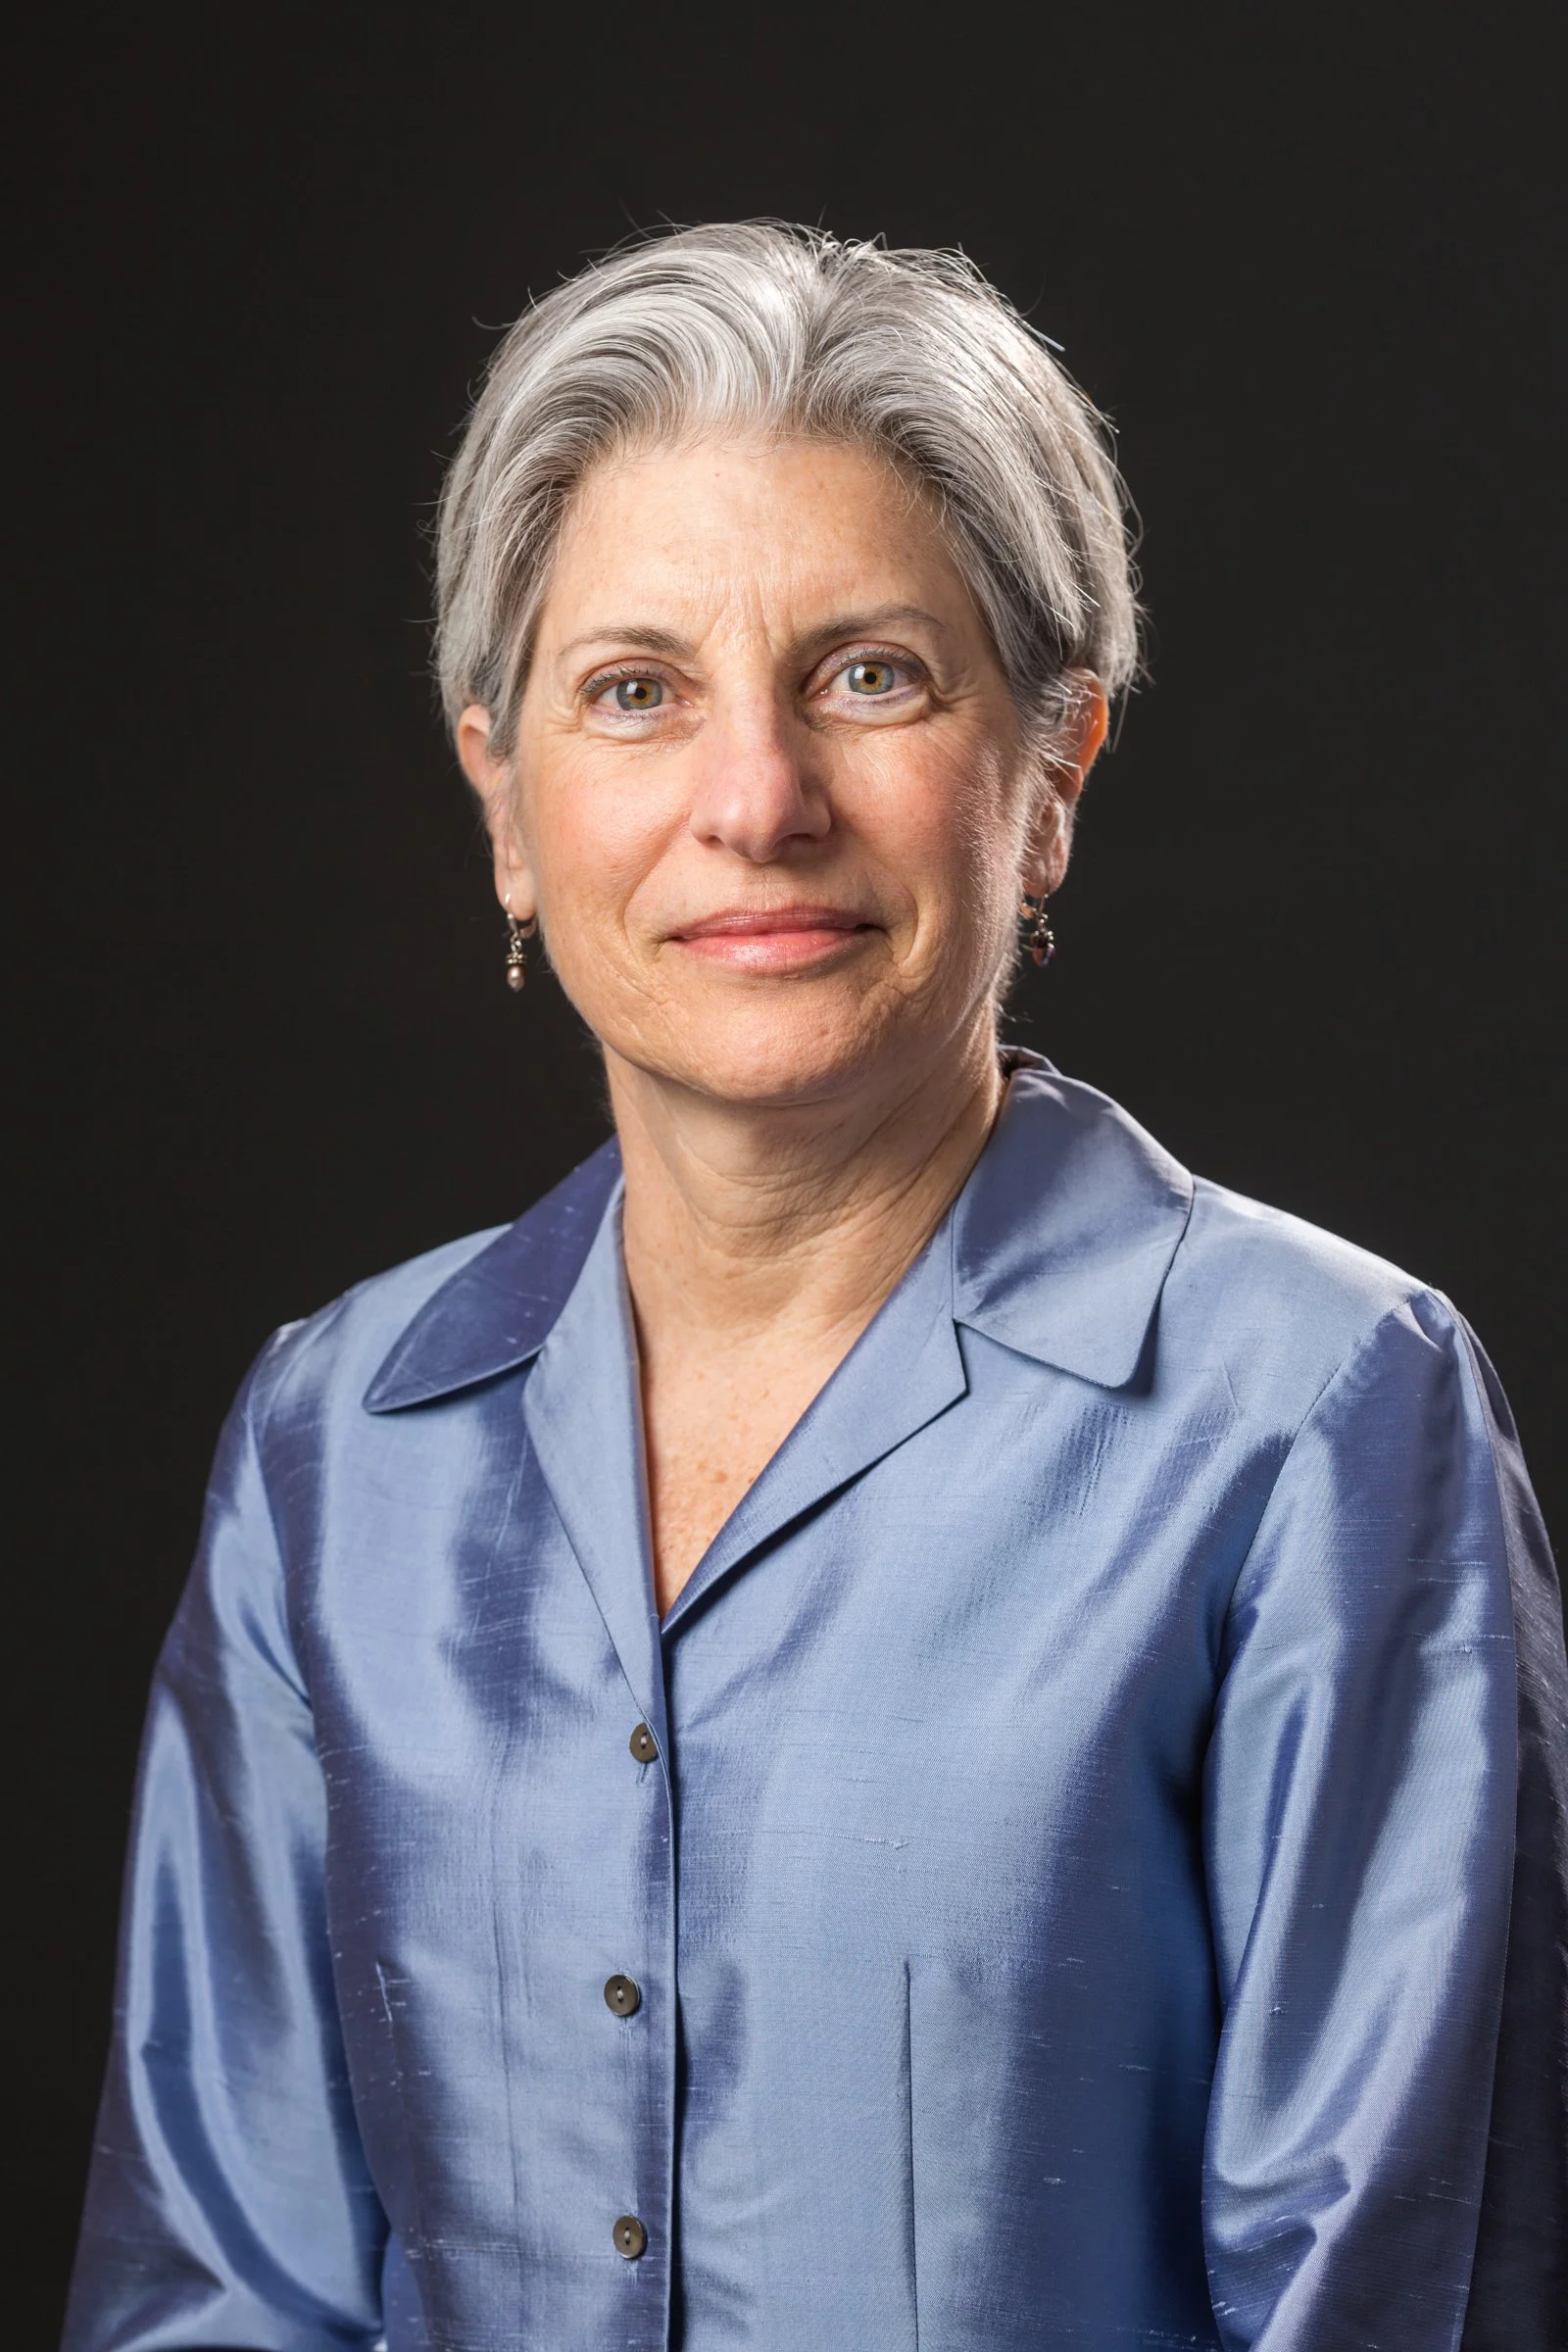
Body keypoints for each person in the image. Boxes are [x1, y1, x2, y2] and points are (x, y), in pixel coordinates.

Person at [65, 223, 1565, 2352]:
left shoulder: (1320, 1416)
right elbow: (220, 2291)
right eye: (635, 693)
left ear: (1052, 770)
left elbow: (1385, 2292)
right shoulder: (334, 1441)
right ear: (503, 798)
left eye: (870, 674)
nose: (750, 803)